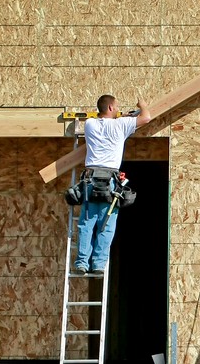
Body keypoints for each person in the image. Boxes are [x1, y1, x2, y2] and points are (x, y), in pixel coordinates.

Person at [73, 94, 151, 276]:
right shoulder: (121, 124)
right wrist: (142, 105)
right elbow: (146, 117)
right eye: (116, 107)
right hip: (110, 182)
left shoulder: (90, 124)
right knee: (106, 225)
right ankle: (98, 265)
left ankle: (82, 263)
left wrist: (122, 117)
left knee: (86, 223)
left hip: (91, 180)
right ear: (110, 107)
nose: (118, 110)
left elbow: (106, 121)